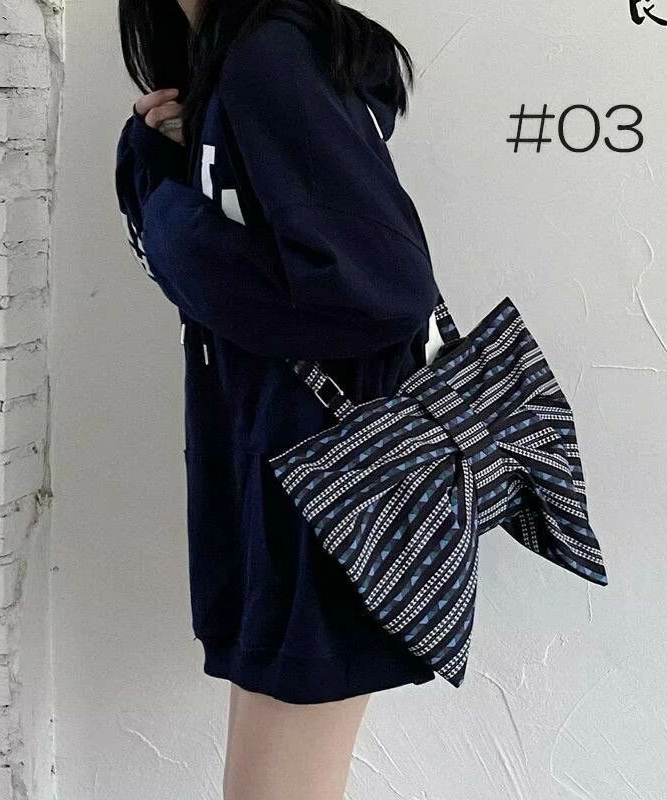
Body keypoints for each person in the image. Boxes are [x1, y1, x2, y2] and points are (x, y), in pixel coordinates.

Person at [114, 1, 441, 797]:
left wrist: (170, 210)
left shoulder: (269, 57)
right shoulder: (232, 61)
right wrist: (166, 162)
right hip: (292, 477)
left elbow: (384, 287)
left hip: (325, 488)